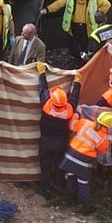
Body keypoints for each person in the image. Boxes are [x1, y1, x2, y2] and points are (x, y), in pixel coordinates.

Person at [42, 0, 112, 66]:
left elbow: (107, 4)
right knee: (73, 46)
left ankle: (85, 63)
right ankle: (75, 60)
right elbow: (58, 4)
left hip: (87, 27)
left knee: (86, 45)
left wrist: (99, 13)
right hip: (73, 26)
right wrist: (46, 10)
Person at [38, 64, 81, 197]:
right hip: (61, 142)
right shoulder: (68, 110)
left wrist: (42, 73)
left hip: (45, 141)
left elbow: (42, 89)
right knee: (58, 165)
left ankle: (45, 189)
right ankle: (58, 186)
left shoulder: (46, 105)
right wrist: (77, 82)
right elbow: (75, 97)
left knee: (45, 166)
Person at [59, 111, 112, 209]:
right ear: (109, 125)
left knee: (71, 177)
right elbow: (102, 151)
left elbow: (73, 126)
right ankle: (86, 208)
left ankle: (70, 202)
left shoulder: (85, 123)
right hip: (84, 161)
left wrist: (76, 113)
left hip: (71, 155)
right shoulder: (104, 138)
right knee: (83, 183)